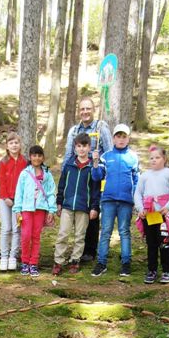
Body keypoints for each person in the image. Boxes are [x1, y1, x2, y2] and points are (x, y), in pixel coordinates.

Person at [63, 97, 113, 262]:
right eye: (82, 109)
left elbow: (109, 151)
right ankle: (79, 246)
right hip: (77, 173)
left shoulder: (101, 127)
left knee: (92, 209)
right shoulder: (74, 131)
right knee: (78, 209)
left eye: (88, 109)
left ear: (93, 110)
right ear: (79, 111)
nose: (85, 112)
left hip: (94, 174)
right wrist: (65, 174)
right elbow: (69, 154)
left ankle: (90, 250)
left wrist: (101, 166)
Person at [90, 124, 140, 277]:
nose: (121, 139)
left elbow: (136, 180)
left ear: (128, 138)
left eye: (124, 136)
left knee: (124, 232)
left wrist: (136, 200)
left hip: (126, 201)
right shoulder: (106, 156)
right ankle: (101, 262)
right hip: (108, 200)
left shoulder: (132, 156)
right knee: (105, 232)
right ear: (113, 138)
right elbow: (96, 177)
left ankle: (126, 263)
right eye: (118, 136)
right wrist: (96, 163)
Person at [52, 133, 100, 275]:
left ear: (89, 147)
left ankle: (75, 260)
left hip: (83, 207)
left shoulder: (92, 167)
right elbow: (62, 185)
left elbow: (96, 190)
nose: (81, 149)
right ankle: (58, 261)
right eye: (78, 146)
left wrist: (94, 207)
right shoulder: (69, 165)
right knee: (63, 234)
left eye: (84, 146)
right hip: (67, 206)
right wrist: (59, 202)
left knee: (80, 236)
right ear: (75, 148)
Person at [135, 145, 169, 284]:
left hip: (163, 215)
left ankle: (167, 270)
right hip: (149, 215)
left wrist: (168, 207)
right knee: (151, 243)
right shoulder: (145, 175)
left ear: (164, 158)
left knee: (164, 243)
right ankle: (152, 270)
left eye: (157, 157)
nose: (154, 160)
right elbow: (138, 193)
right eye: (151, 158)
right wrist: (140, 208)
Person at [13, 145, 57, 278]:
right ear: (30, 157)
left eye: (39, 155)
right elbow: (19, 192)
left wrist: (51, 210)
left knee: (36, 236)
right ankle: (25, 261)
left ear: (42, 157)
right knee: (25, 236)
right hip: (26, 209)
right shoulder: (25, 173)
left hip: (40, 209)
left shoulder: (47, 174)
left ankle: (33, 263)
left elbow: (50, 193)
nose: (36, 158)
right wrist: (17, 209)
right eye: (34, 155)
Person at [0, 132, 27, 271]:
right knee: (6, 228)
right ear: (7, 146)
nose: (14, 145)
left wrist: (19, 201)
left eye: (16, 143)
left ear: (20, 145)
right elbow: (2, 181)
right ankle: (3, 257)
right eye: (11, 143)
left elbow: (27, 182)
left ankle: (13, 256)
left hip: (19, 201)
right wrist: (5, 197)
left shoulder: (25, 162)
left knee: (17, 229)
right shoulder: (3, 162)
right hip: (5, 200)